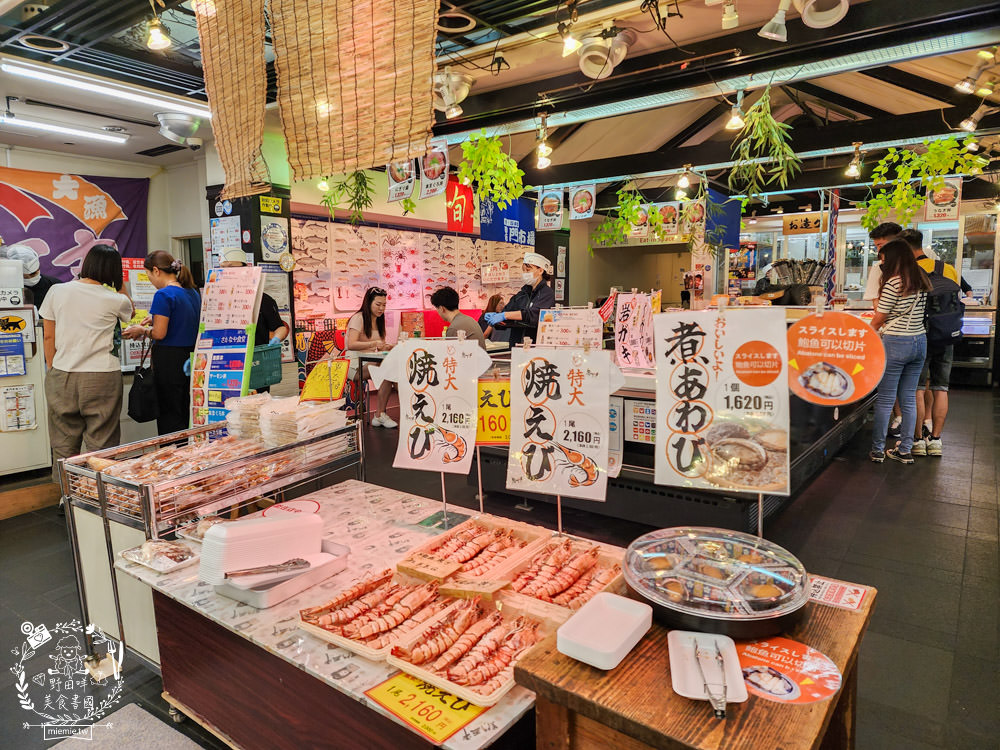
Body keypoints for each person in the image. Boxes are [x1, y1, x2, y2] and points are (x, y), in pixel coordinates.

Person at [38, 245, 133, 482]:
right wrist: (119, 283)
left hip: (62, 372)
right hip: (102, 375)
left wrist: (52, 368)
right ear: (113, 271)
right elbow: (130, 313)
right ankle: (95, 493)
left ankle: (67, 494)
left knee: (63, 438)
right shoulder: (115, 299)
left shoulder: (56, 291)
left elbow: (49, 336)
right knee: (102, 438)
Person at [898, 229, 961, 458]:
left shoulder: (908, 271)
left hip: (919, 336)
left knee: (915, 389)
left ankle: (917, 441)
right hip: (946, 335)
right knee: (941, 387)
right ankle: (935, 440)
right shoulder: (948, 268)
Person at [123, 251, 200, 435]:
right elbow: (184, 321)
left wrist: (142, 330)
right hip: (191, 358)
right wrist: (155, 320)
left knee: (169, 412)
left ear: (156, 271)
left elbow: (159, 333)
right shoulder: (192, 292)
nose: (150, 280)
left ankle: (171, 454)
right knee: (185, 408)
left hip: (169, 360)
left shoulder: (163, 294)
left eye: (149, 275)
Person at [869, 239, 931, 464]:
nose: (882, 265)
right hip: (919, 341)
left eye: (884, 260)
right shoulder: (920, 279)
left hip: (896, 342)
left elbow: (880, 317)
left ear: (894, 259)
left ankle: (877, 450)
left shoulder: (894, 283)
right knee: (909, 398)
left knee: (885, 399)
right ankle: (905, 450)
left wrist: (866, 332)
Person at [218, 248, 289, 392]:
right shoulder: (216, 299)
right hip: (223, 365)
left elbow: (280, 327)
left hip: (256, 365)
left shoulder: (262, 299)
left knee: (255, 409)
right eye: (222, 268)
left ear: (246, 268)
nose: (227, 272)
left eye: (232, 267)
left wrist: (275, 340)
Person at [346, 287, 397, 428]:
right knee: (389, 371)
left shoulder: (379, 321)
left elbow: (378, 346)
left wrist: (386, 346)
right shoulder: (358, 318)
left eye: (384, 305)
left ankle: (380, 415)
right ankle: (381, 415)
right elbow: (351, 344)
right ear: (368, 303)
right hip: (354, 365)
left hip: (370, 361)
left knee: (390, 371)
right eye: (378, 304)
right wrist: (375, 343)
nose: (381, 308)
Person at [483, 252, 555, 346]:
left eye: (528, 269)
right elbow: (507, 311)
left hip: (535, 346)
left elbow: (534, 315)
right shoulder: (522, 294)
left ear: (540, 270)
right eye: (523, 270)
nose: (525, 273)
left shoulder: (546, 293)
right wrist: (496, 317)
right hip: (516, 344)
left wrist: (505, 315)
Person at [862, 221, 902, 306]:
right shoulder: (878, 267)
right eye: (876, 246)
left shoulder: (913, 265)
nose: (879, 251)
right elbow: (875, 298)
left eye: (880, 246)